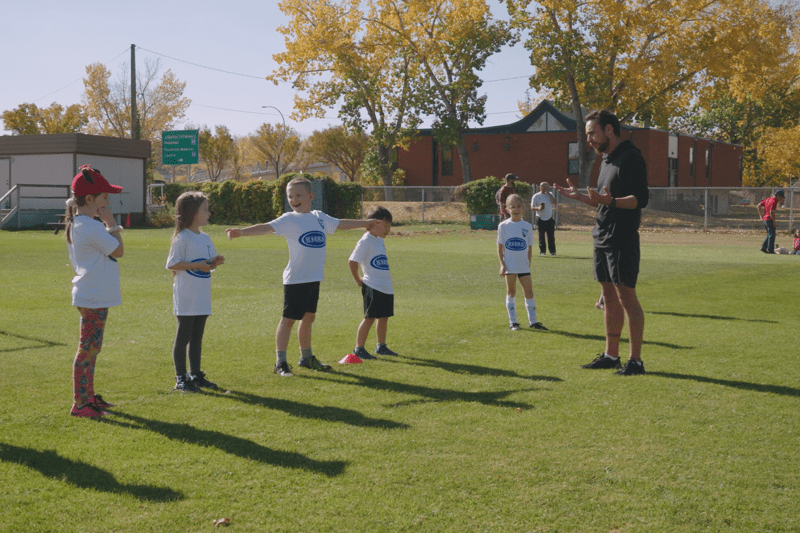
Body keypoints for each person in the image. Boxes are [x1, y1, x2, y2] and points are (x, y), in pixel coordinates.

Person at [226, 177, 377, 377]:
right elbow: (266, 227)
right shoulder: (289, 219)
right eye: (290, 196)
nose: (294, 199)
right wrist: (241, 232)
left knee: (309, 317)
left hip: (313, 278)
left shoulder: (319, 217)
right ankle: (280, 362)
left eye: (298, 195)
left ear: (310, 196)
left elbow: (340, 223)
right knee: (288, 319)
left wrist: (366, 223)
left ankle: (306, 357)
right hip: (295, 279)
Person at [556, 109, 649, 376]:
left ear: (609, 129)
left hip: (622, 238)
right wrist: (584, 198)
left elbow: (639, 200)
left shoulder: (631, 157)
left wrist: (609, 201)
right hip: (602, 235)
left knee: (626, 297)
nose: (590, 141)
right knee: (608, 297)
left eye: (592, 133)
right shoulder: (607, 159)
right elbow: (605, 201)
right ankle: (611, 355)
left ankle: (635, 361)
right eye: (588, 135)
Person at [64, 165, 124, 417]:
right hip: (93, 295)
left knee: (92, 348)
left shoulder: (84, 224)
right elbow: (118, 251)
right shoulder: (90, 227)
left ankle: (88, 397)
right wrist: (111, 223)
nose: (108, 202)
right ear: (89, 200)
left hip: (94, 295)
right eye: (104, 198)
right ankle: (81, 403)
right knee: (88, 349)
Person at [166, 192, 225, 392]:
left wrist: (213, 263)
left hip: (202, 295)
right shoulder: (182, 238)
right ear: (192, 213)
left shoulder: (206, 238)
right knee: (183, 337)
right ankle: (181, 378)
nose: (209, 213)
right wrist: (198, 265)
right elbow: (172, 264)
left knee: (197, 337)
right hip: (186, 295)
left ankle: (196, 374)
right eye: (205, 209)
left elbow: (206, 265)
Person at [348, 206, 398, 360]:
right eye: (385, 226)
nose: (388, 230)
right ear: (374, 223)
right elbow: (352, 261)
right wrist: (358, 280)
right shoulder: (365, 241)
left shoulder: (378, 240)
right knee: (369, 317)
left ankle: (381, 346)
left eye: (389, 226)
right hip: (372, 285)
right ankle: (359, 348)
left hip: (385, 286)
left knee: (383, 317)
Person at [497, 194, 548, 331]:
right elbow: (500, 248)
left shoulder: (527, 226)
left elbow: (529, 248)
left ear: (523, 208)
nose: (516, 209)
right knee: (511, 292)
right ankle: (513, 322)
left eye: (519, 206)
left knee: (529, 292)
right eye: (512, 207)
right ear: (507, 209)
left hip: (523, 265)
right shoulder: (503, 226)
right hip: (509, 265)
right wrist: (502, 265)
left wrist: (528, 263)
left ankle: (533, 321)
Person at [531, 181, 558, 256]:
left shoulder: (550, 194)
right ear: (541, 187)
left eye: (548, 186)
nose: (547, 188)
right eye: (545, 186)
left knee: (551, 236)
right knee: (541, 236)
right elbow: (532, 207)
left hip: (549, 218)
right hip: (540, 218)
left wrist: (549, 194)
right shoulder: (536, 196)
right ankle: (542, 251)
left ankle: (553, 251)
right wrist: (539, 208)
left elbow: (555, 202)